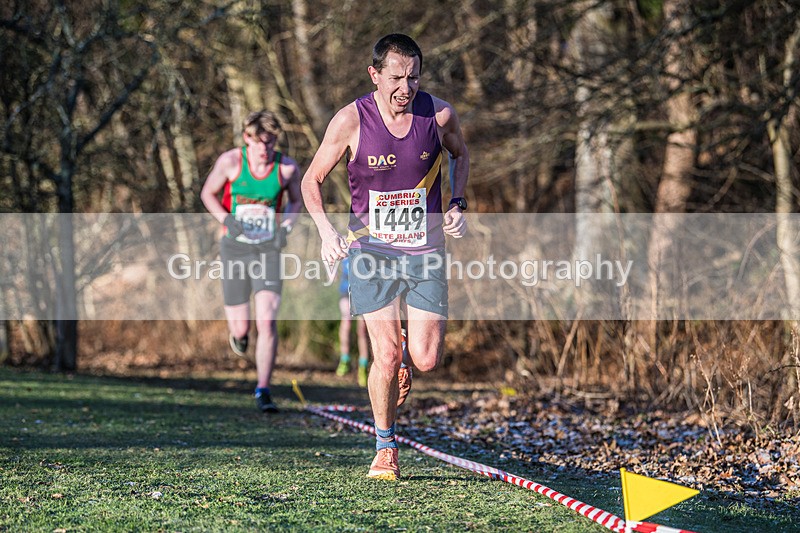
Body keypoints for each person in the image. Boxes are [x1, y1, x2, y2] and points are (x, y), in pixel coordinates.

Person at [301, 34, 469, 480]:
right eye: (396, 77)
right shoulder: (350, 121)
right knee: (386, 354)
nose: (405, 87)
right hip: (371, 252)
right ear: (375, 75)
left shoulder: (438, 114)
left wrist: (458, 203)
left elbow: (460, 154)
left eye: (413, 77)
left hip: (426, 250)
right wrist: (324, 231)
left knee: (427, 358)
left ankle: (407, 366)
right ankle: (385, 448)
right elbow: (310, 181)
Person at [201, 110, 302, 414]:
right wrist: (226, 219)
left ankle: (263, 389)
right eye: (259, 143)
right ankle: (238, 335)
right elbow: (207, 193)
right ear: (247, 138)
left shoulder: (286, 168)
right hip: (234, 248)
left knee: (267, 321)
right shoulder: (231, 162)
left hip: (268, 250)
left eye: (270, 143)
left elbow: (296, 201)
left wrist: (286, 227)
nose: (265, 150)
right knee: (243, 327)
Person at [335, 257, 371, 387]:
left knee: (362, 330)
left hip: (363, 292)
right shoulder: (345, 243)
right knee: (346, 321)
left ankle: (363, 366)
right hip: (346, 290)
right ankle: (344, 359)